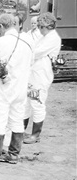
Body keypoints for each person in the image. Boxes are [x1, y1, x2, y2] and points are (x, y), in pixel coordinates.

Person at [0, 13, 33, 167]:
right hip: (20, 88)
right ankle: (14, 155)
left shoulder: (1, 42)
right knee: (17, 119)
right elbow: (31, 62)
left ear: (1, 26)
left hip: (3, 89)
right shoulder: (28, 42)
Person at [23, 12, 61, 144]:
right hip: (33, 74)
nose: (39, 29)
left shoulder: (52, 38)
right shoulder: (44, 36)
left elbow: (36, 52)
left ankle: (35, 135)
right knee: (26, 102)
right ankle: (21, 131)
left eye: (41, 27)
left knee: (37, 102)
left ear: (47, 26)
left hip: (41, 75)